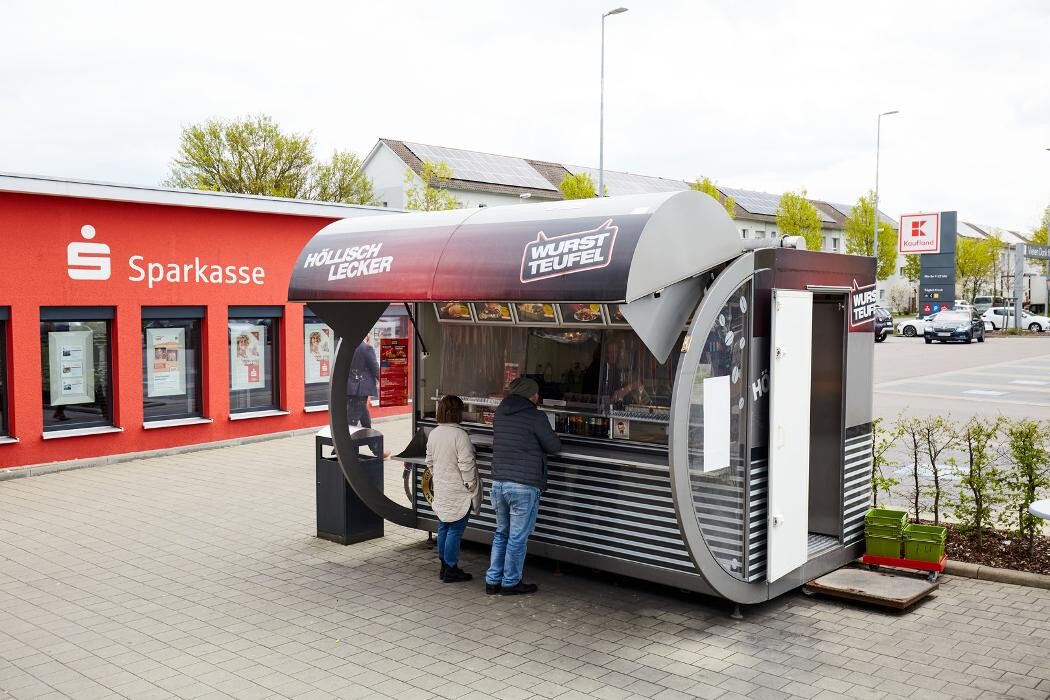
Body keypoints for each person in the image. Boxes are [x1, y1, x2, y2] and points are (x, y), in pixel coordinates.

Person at [485, 377, 561, 596]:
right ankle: (510, 582)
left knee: (501, 533)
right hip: (523, 485)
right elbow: (553, 446)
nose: (538, 397)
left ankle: (492, 580)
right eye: (536, 393)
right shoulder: (536, 416)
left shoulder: (500, 412)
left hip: (499, 483)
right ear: (530, 395)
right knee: (517, 537)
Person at [426, 395, 479, 583]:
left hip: (442, 487)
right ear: (458, 413)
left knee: (444, 526)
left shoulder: (434, 433)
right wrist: (471, 485)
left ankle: (443, 566)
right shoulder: (460, 435)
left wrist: (439, 476)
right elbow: (467, 464)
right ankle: (451, 568)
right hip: (459, 490)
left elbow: (429, 461)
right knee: (455, 529)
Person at [347, 335, 389, 458]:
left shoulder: (349, 347)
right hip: (360, 391)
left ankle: (377, 451)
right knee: (352, 424)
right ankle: (344, 452)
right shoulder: (366, 348)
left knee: (366, 422)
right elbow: (375, 369)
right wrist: (386, 384)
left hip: (350, 389)